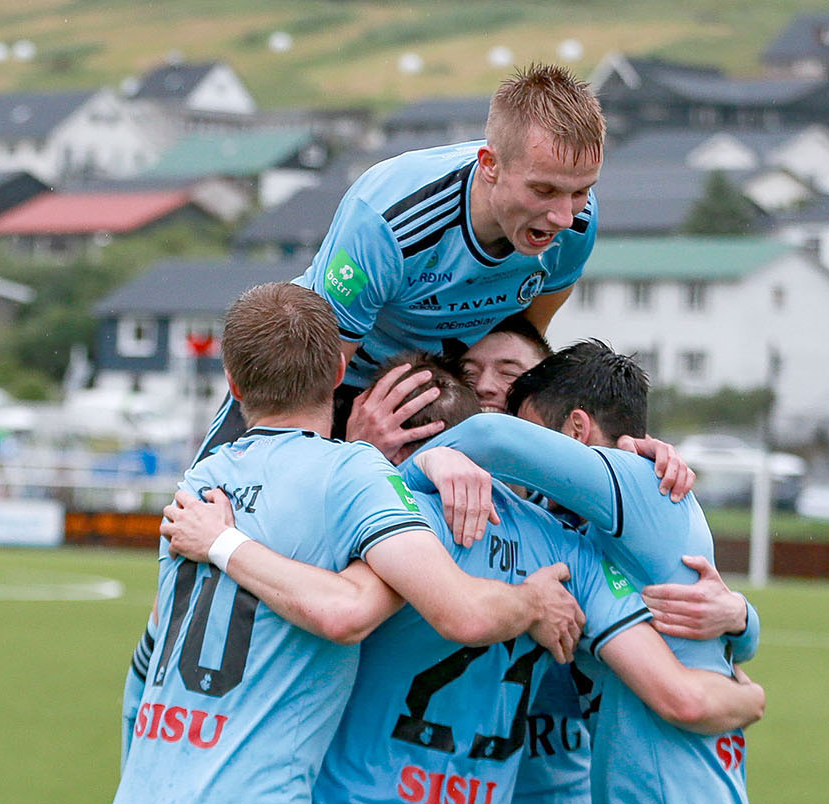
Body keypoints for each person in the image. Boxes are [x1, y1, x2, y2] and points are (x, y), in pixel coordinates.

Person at [160, 353, 765, 804]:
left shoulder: (393, 531)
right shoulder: (574, 554)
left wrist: (227, 537)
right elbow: (671, 682)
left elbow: (344, 606)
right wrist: (747, 655)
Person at [114, 284, 583, 804]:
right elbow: (440, 613)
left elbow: (148, 658)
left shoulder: (201, 481)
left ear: (233, 383)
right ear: (340, 371)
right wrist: (533, 601)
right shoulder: (352, 475)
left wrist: (427, 459)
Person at [399, 341, 760, 804]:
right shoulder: (589, 531)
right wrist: (744, 621)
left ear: (575, 430)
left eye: (533, 432)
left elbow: (491, 436)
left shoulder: (638, 480)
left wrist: (409, 470)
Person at [197, 63, 604, 459]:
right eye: (543, 191)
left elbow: (522, 340)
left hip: (433, 389)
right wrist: (353, 452)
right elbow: (318, 376)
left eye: (580, 192)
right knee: (217, 498)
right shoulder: (387, 222)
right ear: (490, 165)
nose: (563, 217)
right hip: (316, 373)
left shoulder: (577, 224)